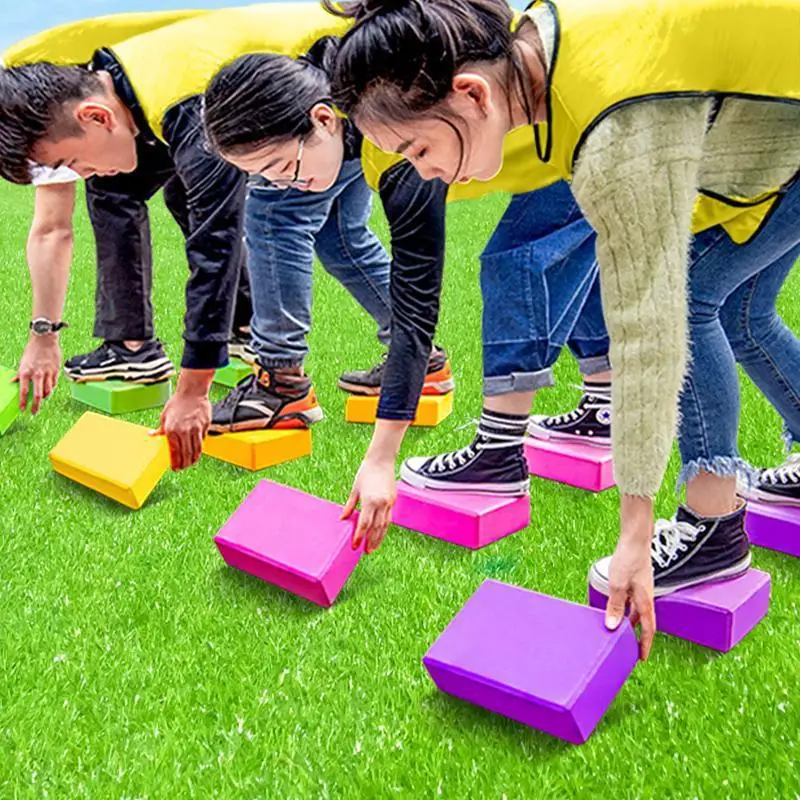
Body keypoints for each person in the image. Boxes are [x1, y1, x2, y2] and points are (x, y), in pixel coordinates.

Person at [326, 0, 800, 658]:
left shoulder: (613, 124)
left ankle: (713, 527)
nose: (428, 172)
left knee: (686, 300)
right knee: (739, 310)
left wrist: (634, 537)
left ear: (471, 92)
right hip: (764, 141)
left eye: (420, 148)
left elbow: (647, 331)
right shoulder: (540, 53)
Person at [202, 41, 613, 501]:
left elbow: (417, 307)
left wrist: (381, 457)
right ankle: (605, 408)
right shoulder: (353, 104)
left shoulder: (401, 149)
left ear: (323, 118)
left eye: (281, 168)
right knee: (342, 237)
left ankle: (498, 453)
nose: (282, 186)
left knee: (516, 260)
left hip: (582, 126)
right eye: (265, 178)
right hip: (558, 124)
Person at [0, 4, 378, 468]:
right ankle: (415, 361)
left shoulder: (193, 112)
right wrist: (44, 334)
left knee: (273, 218)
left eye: (72, 163)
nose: (79, 175)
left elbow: (215, 246)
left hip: (348, 88)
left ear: (97, 117)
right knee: (340, 238)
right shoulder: (92, 82)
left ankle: (280, 383)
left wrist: (192, 390)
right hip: (326, 82)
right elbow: (52, 227)